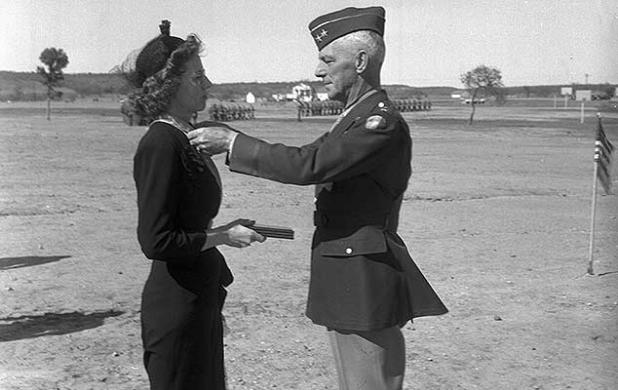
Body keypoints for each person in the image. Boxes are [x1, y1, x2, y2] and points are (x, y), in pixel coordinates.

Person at [188, 6, 448, 390]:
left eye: (328, 59)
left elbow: (307, 165)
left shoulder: (378, 123)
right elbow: (310, 158)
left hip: (360, 270)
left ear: (360, 61)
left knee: (367, 382)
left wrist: (233, 142)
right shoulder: (355, 117)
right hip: (350, 266)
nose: (317, 71)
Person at [128, 20, 265, 389]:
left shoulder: (184, 136)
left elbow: (188, 224)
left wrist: (225, 229)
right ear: (168, 84)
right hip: (176, 305)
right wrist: (222, 234)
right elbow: (156, 242)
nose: (207, 84)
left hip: (197, 296)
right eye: (197, 76)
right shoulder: (160, 142)